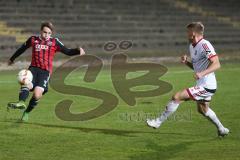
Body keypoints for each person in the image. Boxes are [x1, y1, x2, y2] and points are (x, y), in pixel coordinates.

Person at [146, 22, 229, 137]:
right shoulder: (192, 46)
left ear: (193, 34)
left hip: (207, 85)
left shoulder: (205, 45)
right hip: (202, 84)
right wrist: (186, 63)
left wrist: (202, 73)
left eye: (187, 32)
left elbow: (217, 64)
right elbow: (197, 68)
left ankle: (158, 122)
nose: (186, 35)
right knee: (203, 110)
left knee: (177, 97)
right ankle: (222, 129)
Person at [7, 22, 85, 121]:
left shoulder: (54, 42)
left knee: (37, 94)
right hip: (33, 69)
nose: (47, 35)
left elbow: (68, 51)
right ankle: (21, 102)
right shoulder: (33, 39)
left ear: (51, 34)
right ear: (41, 31)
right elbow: (22, 49)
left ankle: (26, 112)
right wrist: (12, 59)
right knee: (25, 82)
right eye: (45, 32)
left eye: (49, 33)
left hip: (45, 72)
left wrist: (78, 50)